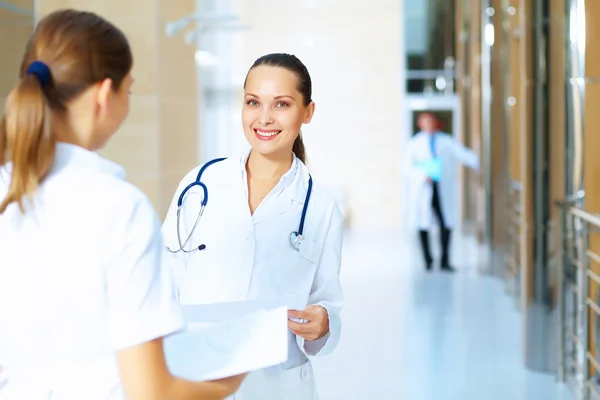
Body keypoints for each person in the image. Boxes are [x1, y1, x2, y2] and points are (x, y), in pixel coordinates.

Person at [0, 9, 246, 400]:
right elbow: (152, 393)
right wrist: (226, 382)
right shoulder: (119, 209)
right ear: (103, 94)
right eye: (128, 91)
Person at [162, 53, 344, 400]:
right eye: (252, 102)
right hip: (196, 376)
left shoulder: (319, 208)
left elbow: (327, 306)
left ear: (308, 112)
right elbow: (163, 278)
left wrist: (323, 323)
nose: (264, 118)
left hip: (276, 385)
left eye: (281, 104)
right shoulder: (200, 184)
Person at [402, 112, 479, 272]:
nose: (429, 124)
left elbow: (463, 154)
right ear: (420, 124)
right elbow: (405, 167)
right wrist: (423, 176)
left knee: (446, 223)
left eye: (431, 121)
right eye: (425, 122)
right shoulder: (414, 144)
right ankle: (427, 260)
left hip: (442, 187)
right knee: (422, 224)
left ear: (435, 123)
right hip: (423, 188)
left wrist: (479, 163)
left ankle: (445, 260)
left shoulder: (446, 141)